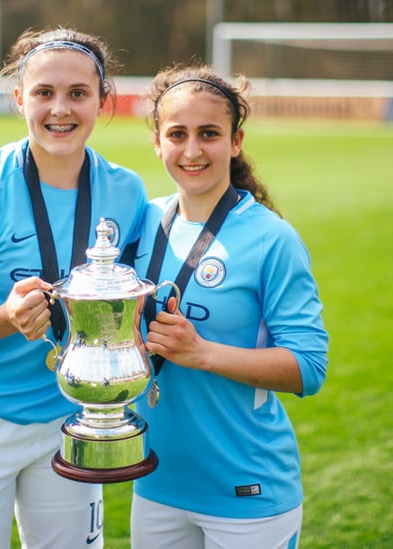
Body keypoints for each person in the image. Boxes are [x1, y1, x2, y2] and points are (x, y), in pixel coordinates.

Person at [0, 27, 147, 549]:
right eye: (44, 92)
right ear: (19, 98)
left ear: (103, 101)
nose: (59, 109)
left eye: (78, 93)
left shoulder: (128, 194)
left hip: (73, 418)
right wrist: (4, 318)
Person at [129, 64, 329, 549]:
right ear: (157, 142)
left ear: (235, 141)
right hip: (154, 483)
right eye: (177, 134)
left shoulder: (271, 239)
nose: (192, 150)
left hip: (247, 492)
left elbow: (309, 367)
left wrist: (201, 353)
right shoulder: (142, 223)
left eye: (209, 134)